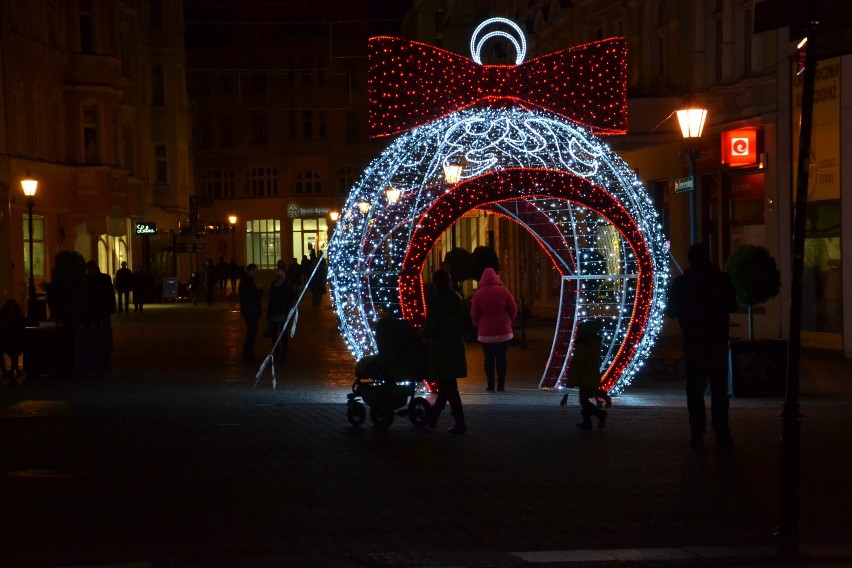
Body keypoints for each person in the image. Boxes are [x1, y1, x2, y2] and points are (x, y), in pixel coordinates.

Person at [666, 243, 738, 450]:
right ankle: (721, 432)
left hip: (694, 341)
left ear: (690, 260)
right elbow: (732, 305)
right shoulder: (721, 279)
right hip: (717, 340)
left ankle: (697, 433)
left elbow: (672, 311)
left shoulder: (681, 283)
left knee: (695, 391)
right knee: (719, 389)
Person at [423, 268, 471, 434]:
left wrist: (424, 335)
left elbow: (431, 325)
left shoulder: (436, 302)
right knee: (447, 385)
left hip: (442, 348)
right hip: (455, 346)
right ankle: (434, 416)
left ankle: (458, 421)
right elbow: (467, 324)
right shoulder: (458, 299)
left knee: (449, 386)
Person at [470, 267, 518, 392]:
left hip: (485, 332)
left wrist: (478, 323)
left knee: (488, 358)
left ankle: (490, 384)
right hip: (504, 331)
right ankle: (501, 384)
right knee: (502, 358)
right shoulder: (504, 291)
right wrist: (509, 321)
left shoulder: (478, 294)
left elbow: (474, 313)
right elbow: (513, 309)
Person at [564, 319, 608, 430]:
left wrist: (571, 380)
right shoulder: (594, 343)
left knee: (583, 401)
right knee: (584, 400)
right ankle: (588, 422)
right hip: (592, 376)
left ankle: (598, 415)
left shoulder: (583, 346)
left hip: (585, 377)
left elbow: (577, 364)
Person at [85, 260, 117, 367]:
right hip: (101, 308)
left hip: (100, 308)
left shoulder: (93, 279)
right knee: (102, 328)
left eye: (89, 269)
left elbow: (110, 293)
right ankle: (103, 347)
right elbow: (110, 293)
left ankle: (105, 347)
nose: (89, 271)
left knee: (104, 328)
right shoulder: (104, 278)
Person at [266, 268, 295, 361]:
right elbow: (270, 301)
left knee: (283, 335)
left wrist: (289, 313)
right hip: (274, 313)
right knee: (274, 334)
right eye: (277, 276)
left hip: (284, 313)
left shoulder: (287, 287)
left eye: (280, 276)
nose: (278, 278)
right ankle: (277, 351)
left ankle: (284, 354)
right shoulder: (273, 286)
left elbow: (290, 301)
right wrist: (269, 313)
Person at [238, 263, 263, 363]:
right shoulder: (247, 281)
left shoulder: (246, 280)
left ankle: (248, 353)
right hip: (251, 311)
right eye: (255, 271)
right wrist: (261, 291)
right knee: (252, 332)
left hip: (249, 310)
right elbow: (252, 296)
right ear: (250, 271)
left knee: (252, 332)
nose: (256, 273)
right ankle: (248, 354)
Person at [0, 299, 26, 382]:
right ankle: (13, 368)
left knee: (14, 346)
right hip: (5, 339)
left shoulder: (16, 316)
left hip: (11, 339)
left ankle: (11, 369)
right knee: (14, 347)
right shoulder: (4, 315)